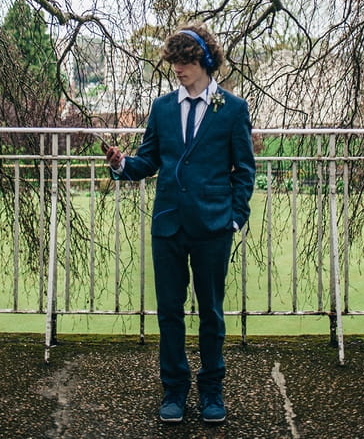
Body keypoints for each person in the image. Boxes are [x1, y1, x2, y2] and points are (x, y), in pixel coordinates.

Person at [104, 23, 255, 425]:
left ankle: (212, 392)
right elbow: (148, 161)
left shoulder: (233, 109)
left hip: (213, 227)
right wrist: (122, 165)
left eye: (184, 61)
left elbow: (245, 170)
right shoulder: (162, 108)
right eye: (173, 62)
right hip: (168, 225)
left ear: (204, 60)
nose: (177, 69)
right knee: (169, 312)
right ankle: (173, 392)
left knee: (212, 313)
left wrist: (235, 218)